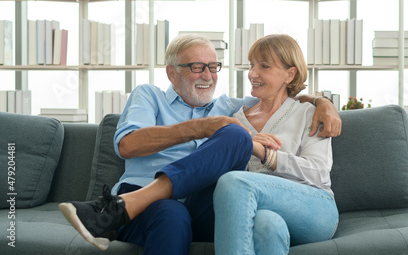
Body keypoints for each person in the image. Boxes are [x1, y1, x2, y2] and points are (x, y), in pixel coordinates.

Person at [59, 34, 341, 255]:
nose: (207, 75)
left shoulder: (227, 107)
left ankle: (118, 208)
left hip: (201, 204)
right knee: (171, 216)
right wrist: (201, 128)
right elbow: (128, 145)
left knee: (235, 135)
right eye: (196, 67)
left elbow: (282, 98)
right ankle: (130, 204)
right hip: (152, 201)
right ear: (171, 73)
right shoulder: (149, 96)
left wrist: (323, 103)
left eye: (213, 66)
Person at [213, 34, 339, 254]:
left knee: (234, 182)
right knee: (266, 224)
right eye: (252, 65)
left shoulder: (309, 113)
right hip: (262, 209)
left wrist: (264, 154)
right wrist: (243, 146)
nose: (253, 74)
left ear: (289, 74)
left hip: (315, 207)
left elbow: (318, 172)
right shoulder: (236, 118)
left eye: (264, 66)